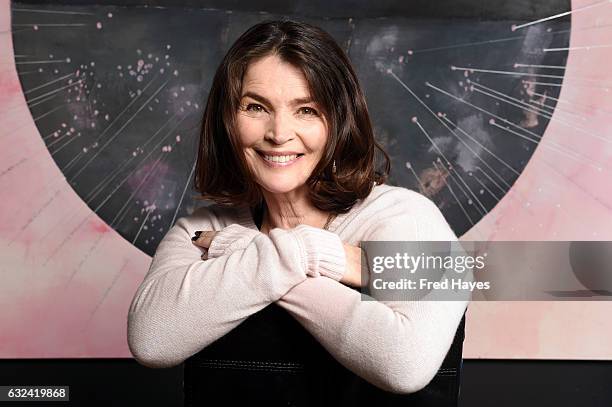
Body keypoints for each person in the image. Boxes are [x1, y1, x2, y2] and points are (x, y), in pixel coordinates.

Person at [127, 18, 469, 396]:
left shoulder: (404, 217)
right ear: (228, 120)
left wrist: (243, 249)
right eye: (256, 107)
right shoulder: (200, 228)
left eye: (306, 110)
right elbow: (151, 342)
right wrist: (304, 253)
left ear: (338, 121)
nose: (278, 133)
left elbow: (404, 364)